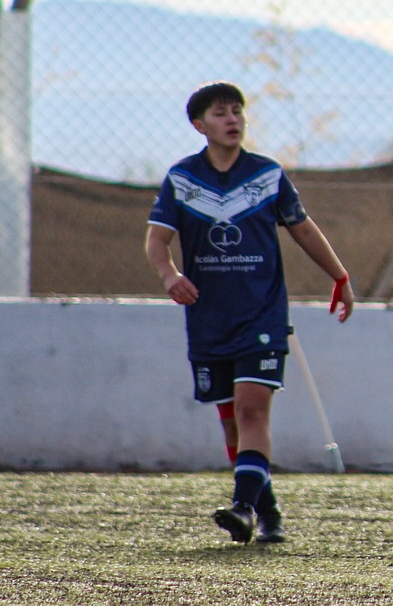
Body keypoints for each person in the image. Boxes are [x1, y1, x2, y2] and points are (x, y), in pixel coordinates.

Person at [146, 81, 355, 545]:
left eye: (237, 111)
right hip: (208, 318)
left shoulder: (268, 175)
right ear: (200, 126)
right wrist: (170, 277)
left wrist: (339, 277)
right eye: (220, 113)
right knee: (230, 419)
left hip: (262, 317)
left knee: (252, 408)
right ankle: (269, 512)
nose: (233, 119)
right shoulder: (182, 179)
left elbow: (303, 230)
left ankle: (241, 507)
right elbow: (157, 242)